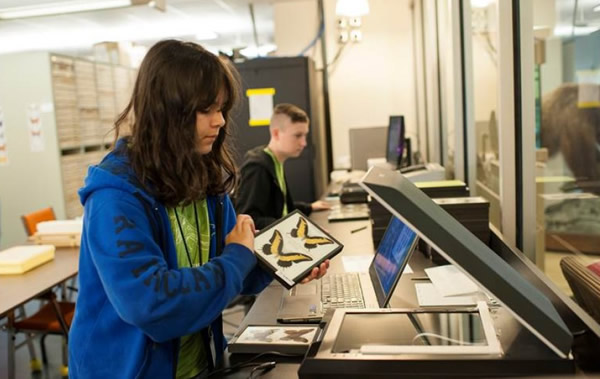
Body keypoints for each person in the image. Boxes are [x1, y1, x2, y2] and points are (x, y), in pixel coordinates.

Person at [68, 40, 328, 379]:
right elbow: (153, 304)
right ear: (167, 110)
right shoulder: (116, 197)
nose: (220, 121)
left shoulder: (202, 177)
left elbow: (233, 270)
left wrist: (280, 263)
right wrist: (238, 254)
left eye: (222, 108)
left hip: (200, 363)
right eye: (207, 109)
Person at [235, 103, 330, 229]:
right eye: (297, 136)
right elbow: (249, 219)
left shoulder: (275, 161)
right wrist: (292, 228)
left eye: (305, 135)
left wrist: (310, 207)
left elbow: (282, 207)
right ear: (276, 134)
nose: (304, 143)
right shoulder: (257, 167)